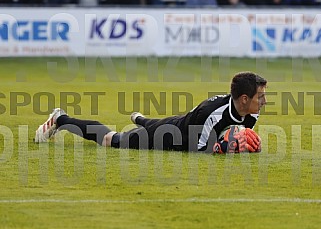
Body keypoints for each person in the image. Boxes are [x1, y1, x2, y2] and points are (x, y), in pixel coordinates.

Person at [35, 72, 267, 154]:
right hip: (170, 136)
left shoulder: (252, 112)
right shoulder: (213, 114)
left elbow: (238, 134)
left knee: (150, 122)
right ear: (244, 99)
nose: (264, 101)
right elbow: (199, 150)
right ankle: (60, 118)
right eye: (261, 96)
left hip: (182, 123)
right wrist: (225, 147)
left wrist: (242, 143)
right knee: (112, 141)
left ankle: (140, 119)